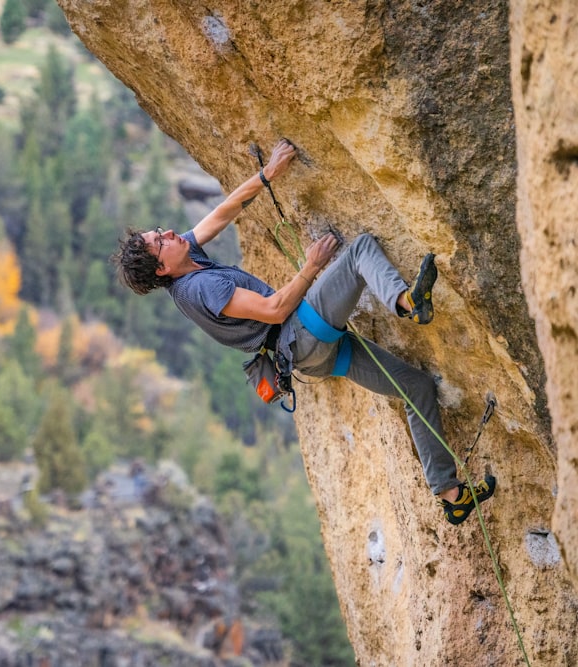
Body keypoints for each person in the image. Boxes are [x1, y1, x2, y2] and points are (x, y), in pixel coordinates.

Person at [110, 139, 494, 525]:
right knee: (359, 252)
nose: (170, 232)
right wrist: (311, 267)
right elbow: (275, 311)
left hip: (309, 355)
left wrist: (267, 174)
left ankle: (451, 494)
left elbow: (223, 212)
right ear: (161, 269)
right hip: (300, 335)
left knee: (417, 388)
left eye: (159, 231)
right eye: (160, 241)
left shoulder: (187, 261)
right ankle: (408, 303)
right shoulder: (201, 289)